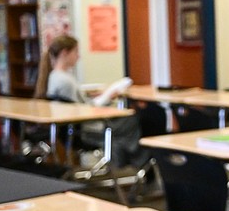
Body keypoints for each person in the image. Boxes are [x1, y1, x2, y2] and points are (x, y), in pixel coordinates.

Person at [34, 34, 147, 170]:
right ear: (65, 53)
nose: (78, 56)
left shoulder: (55, 77)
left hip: (74, 130)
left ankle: (130, 161)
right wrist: (108, 95)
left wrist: (92, 95)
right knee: (136, 120)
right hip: (87, 129)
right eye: (76, 51)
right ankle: (139, 164)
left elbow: (76, 104)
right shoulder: (66, 82)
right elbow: (87, 110)